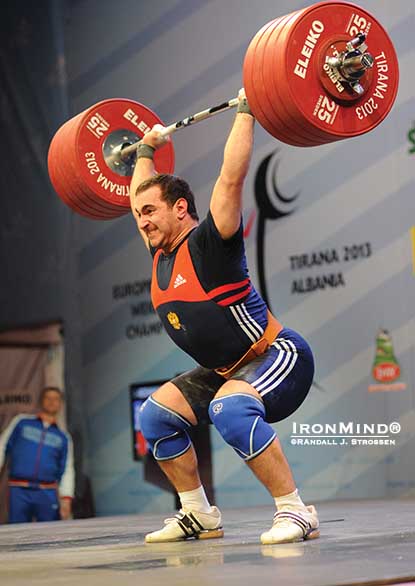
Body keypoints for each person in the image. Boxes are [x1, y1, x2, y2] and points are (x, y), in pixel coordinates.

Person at [129, 89, 319, 545]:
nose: (142, 221)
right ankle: (198, 514)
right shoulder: (160, 254)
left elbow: (230, 180)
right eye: (138, 215)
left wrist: (247, 110)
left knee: (229, 407)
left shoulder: (212, 244)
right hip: (225, 370)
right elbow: (138, 194)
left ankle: (296, 511)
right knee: (154, 416)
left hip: (279, 355)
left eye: (151, 212)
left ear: (181, 209)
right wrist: (145, 150)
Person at [0, 386, 74, 523]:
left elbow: (67, 468)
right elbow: (2, 446)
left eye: (56, 399)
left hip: (47, 492)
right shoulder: (21, 422)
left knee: (50, 536)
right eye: (48, 398)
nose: (52, 401)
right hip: (19, 490)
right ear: (41, 401)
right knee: (18, 534)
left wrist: (66, 498)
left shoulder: (64, 437)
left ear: (60, 404)